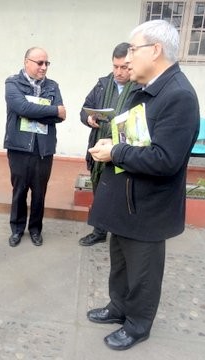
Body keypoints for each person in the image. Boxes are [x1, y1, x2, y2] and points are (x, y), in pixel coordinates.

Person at [86, 20, 200, 351]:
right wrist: (110, 145)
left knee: (144, 270)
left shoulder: (178, 95)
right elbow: (131, 133)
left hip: (148, 205)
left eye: (133, 49)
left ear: (156, 50)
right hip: (124, 196)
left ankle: (138, 324)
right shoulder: (143, 87)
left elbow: (166, 159)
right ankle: (118, 307)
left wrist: (116, 152)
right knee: (121, 261)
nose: (128, 57)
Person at [4, 47, 66, 247]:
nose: (44, 67)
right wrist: (51, 109)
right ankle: (17, 228)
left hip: (43, 149)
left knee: (40, 192)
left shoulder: (53, 86)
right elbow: (21, 107)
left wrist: (40, 111)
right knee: (19, 190)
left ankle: (36, 229)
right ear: (26, 62)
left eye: (47, 63)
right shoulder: (12, 83)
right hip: (19, 147)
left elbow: (60, 116)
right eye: (40, 63)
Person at [78, 42, 133, 247]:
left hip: (124, 150)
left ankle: (122, 233)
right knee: (99, 191)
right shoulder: (102, 84)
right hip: (99, 147)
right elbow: (85, 109)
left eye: (124, 67)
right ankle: (99, 230)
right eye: (115, 66)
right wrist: (88, 118)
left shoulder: (139, 87)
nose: (119, 72)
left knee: (121, 193)